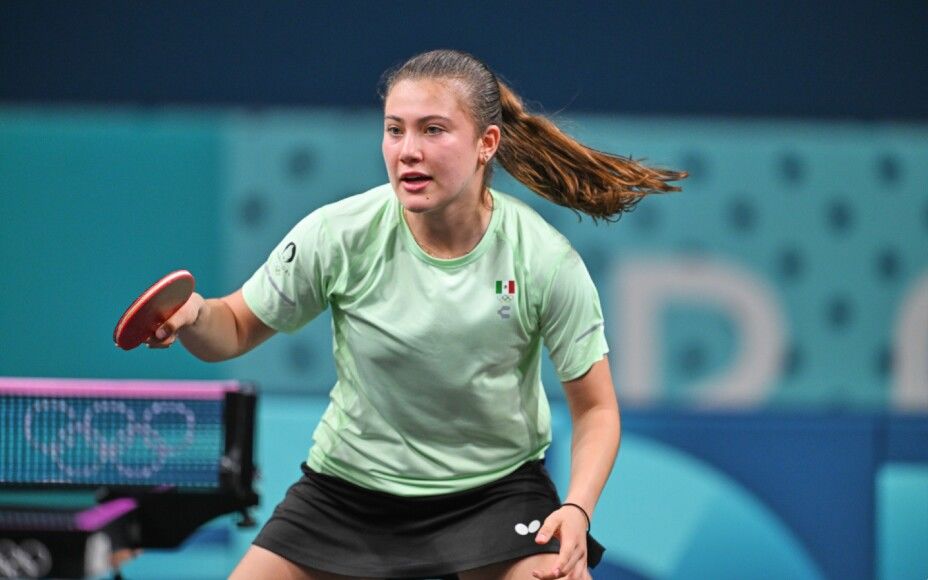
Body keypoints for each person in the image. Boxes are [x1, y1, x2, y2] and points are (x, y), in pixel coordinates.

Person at [148, 49, 685, 580]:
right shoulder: (339, 234)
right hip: (349, 493)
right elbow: (234, 328)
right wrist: (194, 315)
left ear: (486, 144)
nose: (408, 151)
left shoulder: (542, 258)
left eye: (433, 130)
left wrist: (577, 508)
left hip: (493, 493)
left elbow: (596, 410)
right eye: (394, 130)